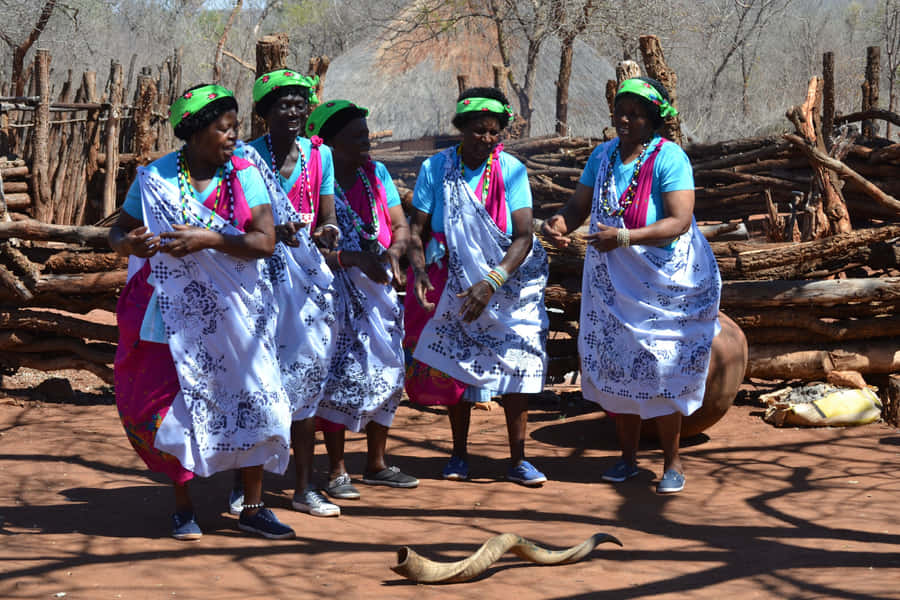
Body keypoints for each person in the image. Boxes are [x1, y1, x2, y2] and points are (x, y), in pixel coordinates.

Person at [109, 84, 295, 540]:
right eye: (223, 128)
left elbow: (264, 242)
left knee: (256, 400)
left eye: (234, 127)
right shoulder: (155, 178)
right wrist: (129, 243)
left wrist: (208, 239)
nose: (233, 136)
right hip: (170, 314)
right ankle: (183, 506)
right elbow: (117, 232)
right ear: (194, 133)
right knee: (174, 405)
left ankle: (253, 507)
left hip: (239, 312)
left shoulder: (247, 176)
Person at [541, 77, 722, 494]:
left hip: (662, 280)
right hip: (612, 281)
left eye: (635, 113)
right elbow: (578, 206)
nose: (624, 118)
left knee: (662, 368)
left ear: (653, 119)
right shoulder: (602, 157)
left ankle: (672, 462)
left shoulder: (669, 158)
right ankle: (626, 460)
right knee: (620, 364)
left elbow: (678, 221)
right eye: (620, 110)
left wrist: (623, 238)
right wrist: (560, 223)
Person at [405, 87, 549, 486]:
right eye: (477, 131)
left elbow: (523, 235)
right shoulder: (436, 169)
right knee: (459, 366)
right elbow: (416, 230)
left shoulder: (512, 171)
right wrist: (418, 272)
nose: (486, 139)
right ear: (461, 129)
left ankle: (518, 459)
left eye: (493, 132)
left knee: (518, 365)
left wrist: (492, 281)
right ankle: (458, 454)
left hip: (507, 281)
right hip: (454, 278)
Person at [232, 68, 341, 518]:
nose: (293, 111)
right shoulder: (242, 157)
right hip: (257, 278)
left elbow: (327, 213)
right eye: (283, 104)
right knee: (256, 383)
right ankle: (246, 485)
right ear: (263, 113)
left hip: (307, 283)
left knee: (306, 382)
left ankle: (303, 486)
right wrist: (274, 231)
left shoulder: (321, 156)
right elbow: (238, 219)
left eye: (300, 102)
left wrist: (328, 231)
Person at [304, 100, 418, 499]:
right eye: (356, 136)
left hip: (378, 289)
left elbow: (399, 223)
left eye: (366, 133)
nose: (366, 141)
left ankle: (377, 463)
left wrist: (395, 251)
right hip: (332, 293)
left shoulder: (377, 174)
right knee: (338, 379)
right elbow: (305, 247)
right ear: (329, 143)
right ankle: (336, 470)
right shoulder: (316, 179)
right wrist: (351, 259)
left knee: (388, 372)